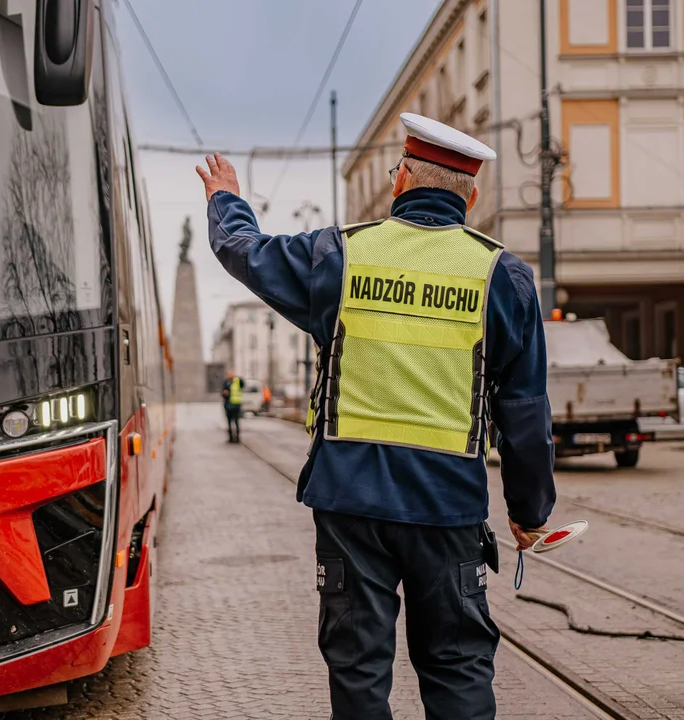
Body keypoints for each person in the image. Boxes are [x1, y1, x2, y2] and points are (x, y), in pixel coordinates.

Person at [197, 113, 556, 720]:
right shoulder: (505, 278)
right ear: (472, 195)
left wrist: (227, 198)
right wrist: (529, 512)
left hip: (351, 506)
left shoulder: (340, 254)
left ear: (400, 181)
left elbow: (243, 251)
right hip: (448, 510)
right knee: (457, 665)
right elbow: (524, 414)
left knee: (359, 671)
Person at [221, 369, 245, 443]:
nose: (230, 375)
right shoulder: (226, 382)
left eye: (231, 373)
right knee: (229, 422)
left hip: (236, 405)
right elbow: (222, 392)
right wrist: (224, 393)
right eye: (229, 374)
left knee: (236, 421)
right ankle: (231, 437)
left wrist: (238, 377)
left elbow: (243, 384)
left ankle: (237, 438)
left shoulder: (237, 381)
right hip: (228, 405)